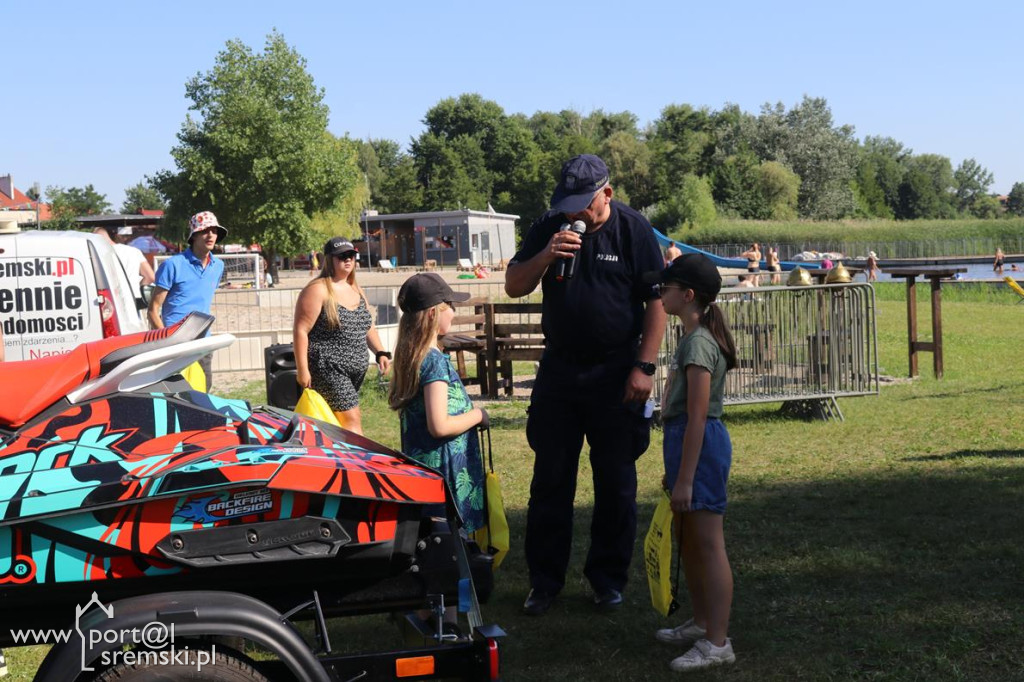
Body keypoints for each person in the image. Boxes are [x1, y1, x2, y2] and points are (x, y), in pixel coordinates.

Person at [505, 153, 666, 616]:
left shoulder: (633, 229)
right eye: (568, 203)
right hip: (560, 370)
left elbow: (656, 302)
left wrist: (645, 366)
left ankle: (607, 580)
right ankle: (544, 582)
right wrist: (546, 255)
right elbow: (514, 284)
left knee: (616, 481)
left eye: (583, 203)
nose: (574, 212)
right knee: (550, 479)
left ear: (606, 194)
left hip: (616, 372)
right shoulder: (550, 225)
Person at [651, 254, 738, 673]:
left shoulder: (700, 342)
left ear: (687, 295)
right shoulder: (691, 337)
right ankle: (702, 622)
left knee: (708, 544)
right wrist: (676, 473)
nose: (659, 294)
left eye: (665, 288)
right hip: (686, 445)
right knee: (688, 541)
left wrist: (685, 479)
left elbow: (698, 417)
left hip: (700, 448)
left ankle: (718, 642)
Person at [388, 273, 487, 533]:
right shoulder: (433, 361)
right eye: (450, 306)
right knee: (450, 540)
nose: (454, 312)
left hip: (425, 473)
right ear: (433, 313)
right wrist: (478, 415)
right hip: (445, 475)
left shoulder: (412, 356)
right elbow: (439, 426)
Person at [294, 237, 390, 434]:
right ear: (330, 259)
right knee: (351, 419)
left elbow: (367, 325)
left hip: (354, 371)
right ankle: (360, 454)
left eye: (351, 255)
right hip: (328, 367)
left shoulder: (355, 288)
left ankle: (338, 453)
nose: (348, 259)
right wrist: (302, 369)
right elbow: (301, 330)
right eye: (342, 256)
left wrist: (380, 352)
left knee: (336, 423)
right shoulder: (318, 289)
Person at [148, 211, 227, 389]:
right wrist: (167, 342)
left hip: (203, 342)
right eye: (205, 230)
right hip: (175, 344)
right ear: (194, 235)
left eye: (214, 231)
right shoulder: (172, 265)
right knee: (175, 396)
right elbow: (153, 310)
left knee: (203, 394)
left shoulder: (218, 266)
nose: (210, 235)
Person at [92, 226, 155, 303]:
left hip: (113, 300)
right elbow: (150, 277)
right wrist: (138, 288)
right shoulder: (134, 251)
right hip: (135, 298)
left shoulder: (99, 255)